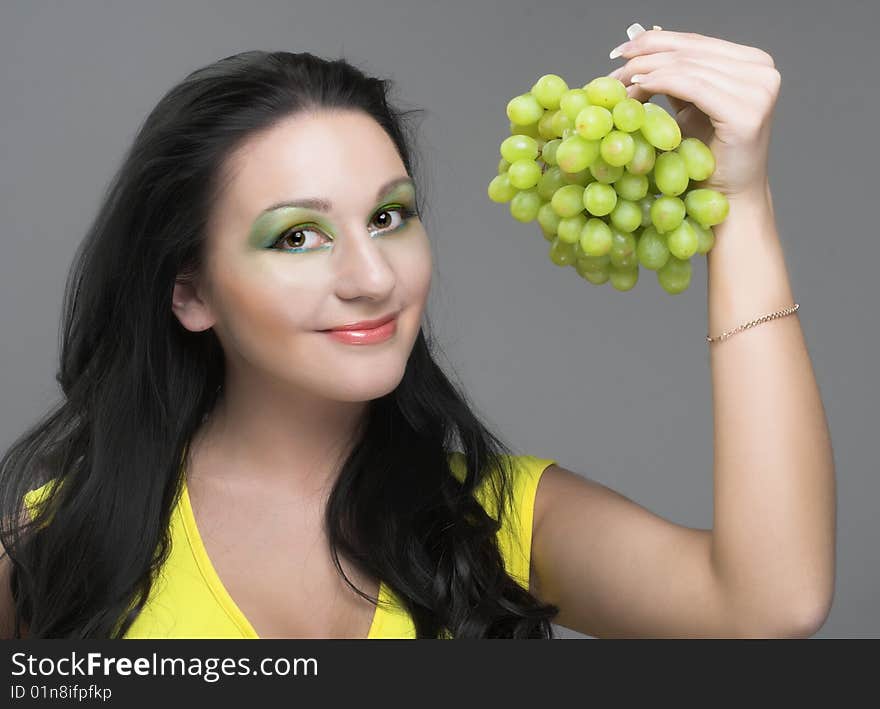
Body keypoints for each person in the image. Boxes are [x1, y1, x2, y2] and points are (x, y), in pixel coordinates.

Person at [0, 30, 835, 639]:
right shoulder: (62, 543)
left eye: (389, 216)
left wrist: (743, 208)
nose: (372, 276)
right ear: (190, 291)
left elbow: (769, 605)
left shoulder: (497, 522)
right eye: (298, 235)